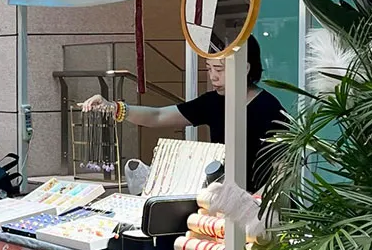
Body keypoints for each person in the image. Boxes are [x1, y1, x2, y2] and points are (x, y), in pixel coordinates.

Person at [81, 36, 286, 193]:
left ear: (245, 68)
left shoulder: (269, 108)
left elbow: (283, 169)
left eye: (219, 69)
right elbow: (158, 116)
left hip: (259, 205)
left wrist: (258, 201)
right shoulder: (213, 101)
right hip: (224, 199)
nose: (213, 76)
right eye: (209, 68)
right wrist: (113, 108)